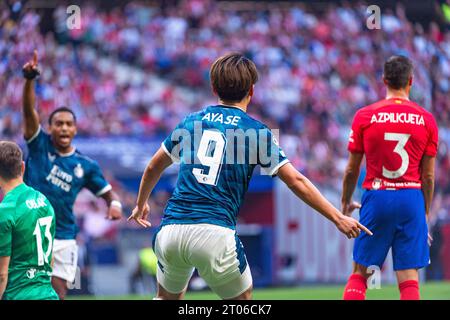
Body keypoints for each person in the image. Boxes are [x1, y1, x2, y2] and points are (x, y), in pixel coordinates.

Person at [128, 53, 371, 300]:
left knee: (166, 298)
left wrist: (140, 204)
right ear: (251, 92)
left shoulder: (191, 122)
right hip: (214, 231)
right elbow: (296, 181)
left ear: (213, 88)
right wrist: (337, 218)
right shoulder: (256, 132)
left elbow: (152, 167)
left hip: (171, 230)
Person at [21, 50, 123, 300]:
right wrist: (29, 81)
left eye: (68, 124)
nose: (64, 127)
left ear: (75, 129)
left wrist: (115, 204)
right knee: (22, 291)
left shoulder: (85, 165)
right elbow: (28, 111)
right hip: (29, 231)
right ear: (50, 127)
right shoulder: (39, 144)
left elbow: (107, 192)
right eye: (59, 123)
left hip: (64, 236)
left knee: (58, 293)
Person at [341, 55, 439, 300]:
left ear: (384, 80)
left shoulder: (366, 116)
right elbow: (428, 177)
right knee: (408, 278)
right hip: (411, 196)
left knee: (360, 274)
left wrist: (345, 202)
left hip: (377, 196)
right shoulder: (426, 120)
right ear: (411, 81)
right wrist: (423, 213)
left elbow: (352, 170)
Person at [0, 141, 58, 300]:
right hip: (48, 294)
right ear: (22, 167)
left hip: (18, 295)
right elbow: (51, 257)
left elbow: (2, 274)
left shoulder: (5, 210)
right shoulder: (44, 201)